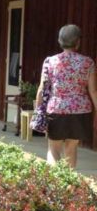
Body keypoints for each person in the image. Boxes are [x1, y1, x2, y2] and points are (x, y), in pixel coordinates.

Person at [35, 24, 97, 169]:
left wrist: (38, 110)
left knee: (53, 148)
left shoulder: (50, 61)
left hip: (56, 110)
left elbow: (42, 89)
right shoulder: (88, 62)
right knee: (71, 148)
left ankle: (55, 181)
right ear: (78, 42)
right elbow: (93, 91)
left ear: (59, 41)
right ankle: (69, 181)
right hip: (80, 111)